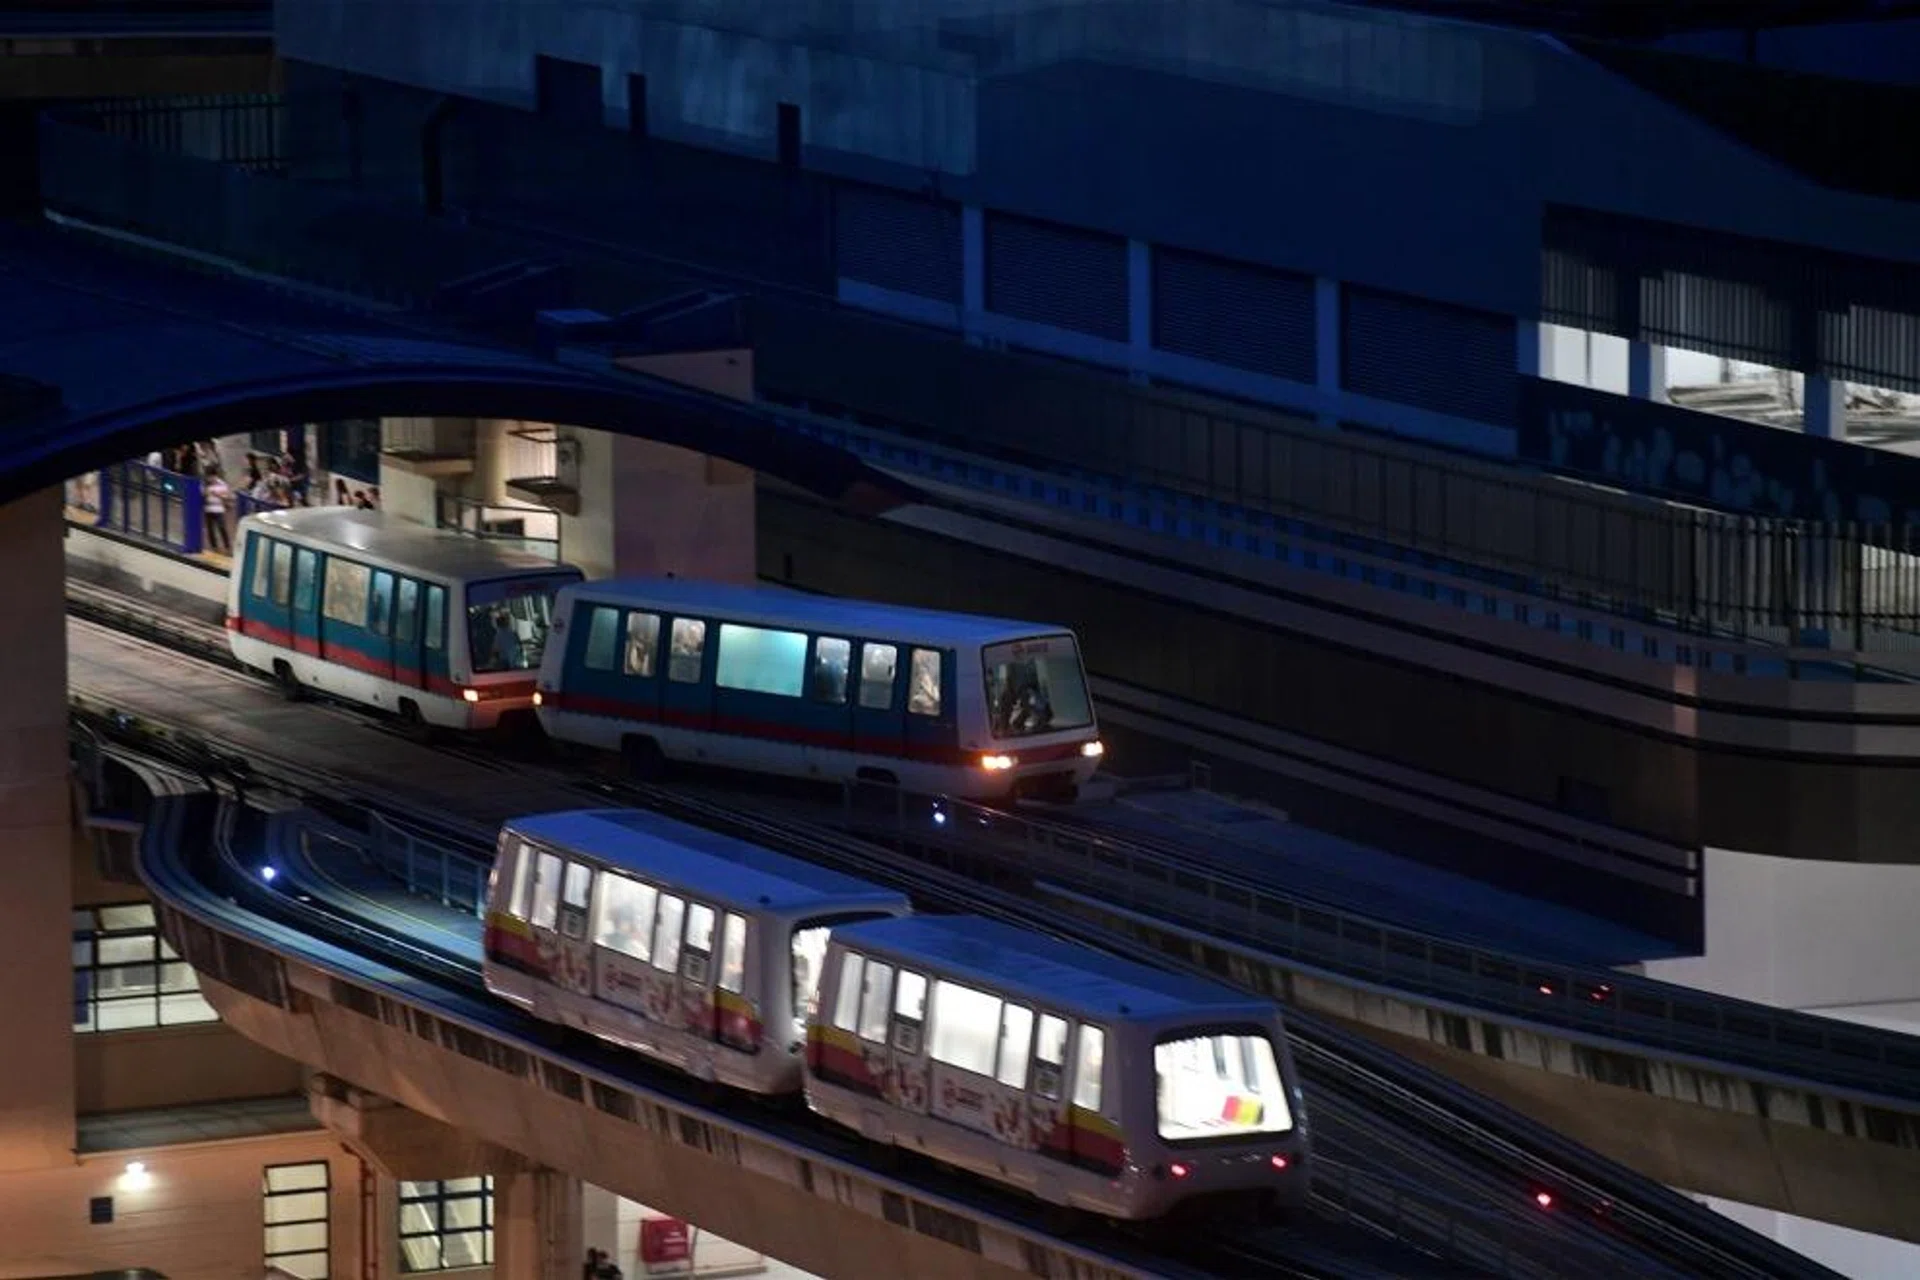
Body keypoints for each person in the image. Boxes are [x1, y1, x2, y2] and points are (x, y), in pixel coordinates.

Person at [201, 468, 231, 554]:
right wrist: (205, 492)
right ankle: (214, 547)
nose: (209, 479)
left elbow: (227, 497)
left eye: (211, 477)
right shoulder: (205, 484)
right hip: (208, 509)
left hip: (219, 509)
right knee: (210, 529)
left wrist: (218, 495)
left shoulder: (222, 484)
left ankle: (227, 546)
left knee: (222, 527)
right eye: (208, 477)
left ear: (215, 476)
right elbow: (202, 495)